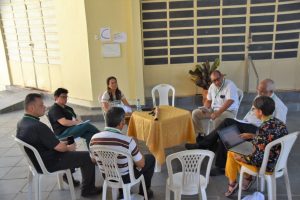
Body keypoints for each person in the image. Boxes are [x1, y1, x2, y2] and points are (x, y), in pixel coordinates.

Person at [185, 79, 288, 176]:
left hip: (259, 130)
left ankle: (204, 144)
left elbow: (277, 132)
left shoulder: (279, 106)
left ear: (271, 91)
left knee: (227, 122)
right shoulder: (260, 97)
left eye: (263, 92)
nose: (259, 94)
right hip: (247, 124)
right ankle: (220, 163)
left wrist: (254, 135)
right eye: (258, 90)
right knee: (226, 131)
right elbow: (251, 114)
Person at [16, 93, 102, 197]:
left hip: (37, 160)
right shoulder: (38, 126)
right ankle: (88, 190)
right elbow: (60, 148)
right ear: (31, 108)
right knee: (87, 157)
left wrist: (65, 143)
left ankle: (69, 175)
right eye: (41, 105)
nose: (44, 107)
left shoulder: (22, 122)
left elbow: (47, 141)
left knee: (70, 140)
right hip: (50, 162)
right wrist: (69, 147)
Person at [224, 96, 288, 197]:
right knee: (245, 149)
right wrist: (253, 136)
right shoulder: (279, 123)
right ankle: (247, 178)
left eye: (253, 109)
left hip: (267, 166)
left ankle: (232, 183)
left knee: (232, 153)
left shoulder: (263, 128)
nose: (252, 111)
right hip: (278, 161)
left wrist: (242, 158)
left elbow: (257, 158)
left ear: (260, 112)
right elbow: (269, 138)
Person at [90, 107, 155, 199]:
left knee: (124, 161)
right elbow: (141, 164)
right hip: (126, 178)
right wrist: (136, 147)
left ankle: (122, 193)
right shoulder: (127, 141)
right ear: (122, 122)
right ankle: (144, 192)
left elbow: (93, 160)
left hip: (108, 176)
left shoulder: (94, 139)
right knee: (150, 159)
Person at [192, 70, 239, 136]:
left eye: (218, 79)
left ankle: (216, 140)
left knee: (217, 119)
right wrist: (204, 108)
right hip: (214, 110)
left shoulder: (230, 85)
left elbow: (230, 101)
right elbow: (209, 100)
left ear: (222, 76)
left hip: (229, 111)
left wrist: (217, 113)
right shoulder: (212, 86)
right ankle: (201, 134)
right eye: (214, 81)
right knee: (195, 113)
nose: (216, 82)